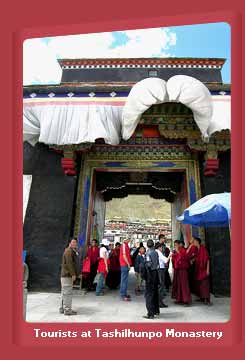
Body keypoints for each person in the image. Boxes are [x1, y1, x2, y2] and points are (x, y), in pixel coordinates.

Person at [60, 238, 79, 315]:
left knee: (64, 292)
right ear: (69, 243)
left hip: (66, 275)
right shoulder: (68, 251)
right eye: (73, 242)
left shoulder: (72, 251)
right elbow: (69, 264)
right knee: (67, 293)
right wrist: (73, 274)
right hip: (67, 275)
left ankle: (62, 308)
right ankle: (67, 310)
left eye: (75, 242)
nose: (75, 244)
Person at [142, 239, 160, 319]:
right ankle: (156, 310)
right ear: (153, 245)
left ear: (147, 245)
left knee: (149, 294)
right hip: (156, 273)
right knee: (155, 292)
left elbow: (148, 264)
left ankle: (150, 313)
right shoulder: (156, 252)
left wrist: (144, 264)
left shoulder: (148, 253)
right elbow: (157, 263)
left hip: (150, 274)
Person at [171, 240, 191, 306]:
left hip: (183, 270)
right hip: (177, 270)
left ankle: (186, 300)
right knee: (178, 285)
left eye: (176, 245)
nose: (175, 246)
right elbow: (173, 259)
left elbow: (184, 257)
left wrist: (177, 252)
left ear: (180, 244)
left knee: (184, 285)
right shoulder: (176, 251)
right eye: (175, 245)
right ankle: (179, 299)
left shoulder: (183, 250)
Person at [193, 237, 211, 305]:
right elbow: (197, 258)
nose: (193, 242)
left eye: (194, 241)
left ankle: (207, 299)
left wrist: (207, 270)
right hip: (199, 270)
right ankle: (202, 297)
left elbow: (208, 260)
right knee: (200, 285)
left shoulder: (203, 249)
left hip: (204, 270)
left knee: (205, 285)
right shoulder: (197, 249)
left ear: (197, 241)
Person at [155, 242, 171, 308]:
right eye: (162, 247)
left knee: (159, 286)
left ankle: (158, 301)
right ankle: (160, 302)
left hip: (157, 270)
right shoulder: (159, 253)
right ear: (159, 247)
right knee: (161, 286)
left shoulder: (154, 252)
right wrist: (170, 255)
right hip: (160, 270)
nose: (162, 249)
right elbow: (166, 260)